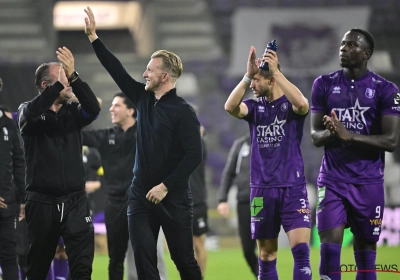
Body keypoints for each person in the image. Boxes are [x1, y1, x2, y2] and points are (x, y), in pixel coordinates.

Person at [84, 6, 203, 280]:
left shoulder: (183, 111)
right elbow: (117, 71)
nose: (145, 73)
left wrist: (165, 187)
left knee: (184, 262)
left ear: (165, 77)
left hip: (172, 198)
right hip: (139, 196)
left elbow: (193, 155)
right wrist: (94, 38)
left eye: (150, 70)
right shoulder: (142, 98)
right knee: (143, 262)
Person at [310, 28, 400, 280]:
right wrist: (332, 132)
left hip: (368, 183)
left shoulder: (386, 90)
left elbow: (391, 141)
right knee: (329, 250)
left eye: (351, 45)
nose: (343, 48)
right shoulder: (324, 84)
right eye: (342, 44)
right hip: (332, 181)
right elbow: (315, 136)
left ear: (365, 54)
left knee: (366, 253)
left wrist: (350, 135)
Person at [224, 45, 312, 279]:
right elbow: (230, 106)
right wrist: (247, 75)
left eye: (256, 80)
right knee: (266, 254)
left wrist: (277, 72)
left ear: (271, 80)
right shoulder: (254, 108)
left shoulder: (291, 107)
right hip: (261, 191)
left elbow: (303, 105)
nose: (252, 86)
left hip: (293, 188)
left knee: (301, 251)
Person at [18, 47, 101, 280]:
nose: (69, 83)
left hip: (75, 201)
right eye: (62, 78)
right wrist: (58, 86)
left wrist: (74, 76)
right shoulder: (28, 111)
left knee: (83, 269)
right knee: (37, 270)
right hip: (42, 202)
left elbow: (93, 108)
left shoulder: (73, 112)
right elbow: (29, 116)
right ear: (47, 86)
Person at [217, 134, 258, 278]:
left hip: (265, 200)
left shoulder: (271, 142)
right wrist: (222, 199)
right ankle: (260, 274)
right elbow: (228, 173)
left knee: (268, 245)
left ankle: (267, 275)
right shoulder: (240, 144)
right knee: (247, 249)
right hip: (244, 201)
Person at [0, 105, 26, 280]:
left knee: (9, 258)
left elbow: (19, 162)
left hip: (6, 205)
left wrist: (23, 199)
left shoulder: (9, 124)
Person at [190, 125, 209, 279]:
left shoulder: (199, 144)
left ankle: (200, 277)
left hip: (197, 201)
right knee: (183, 247)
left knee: (198, 242)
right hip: (179, 202)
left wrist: (199, 133)